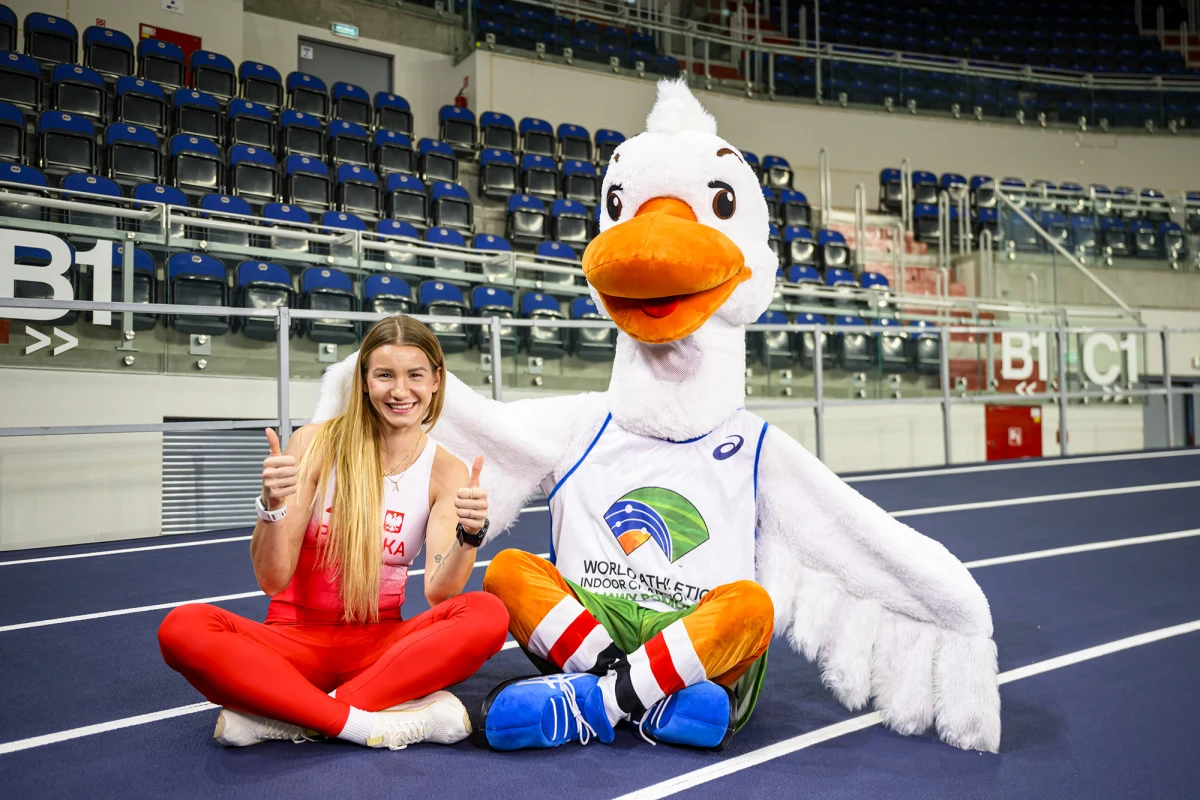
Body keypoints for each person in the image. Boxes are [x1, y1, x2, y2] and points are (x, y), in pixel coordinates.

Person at [157, 315, 510, 750]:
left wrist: (469, 536)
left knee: (488, 614)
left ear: (436, 380)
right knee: (182, 627)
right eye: (385, 376)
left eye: (415, 375)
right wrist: (271, 507)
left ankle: (295, 717)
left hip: (380, 648)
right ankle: (363, 722)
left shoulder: (447, 470)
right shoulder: (313, 444)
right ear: (364, 382)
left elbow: (440, 592)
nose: (401, 391)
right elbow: (272, 579)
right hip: (292, 643)